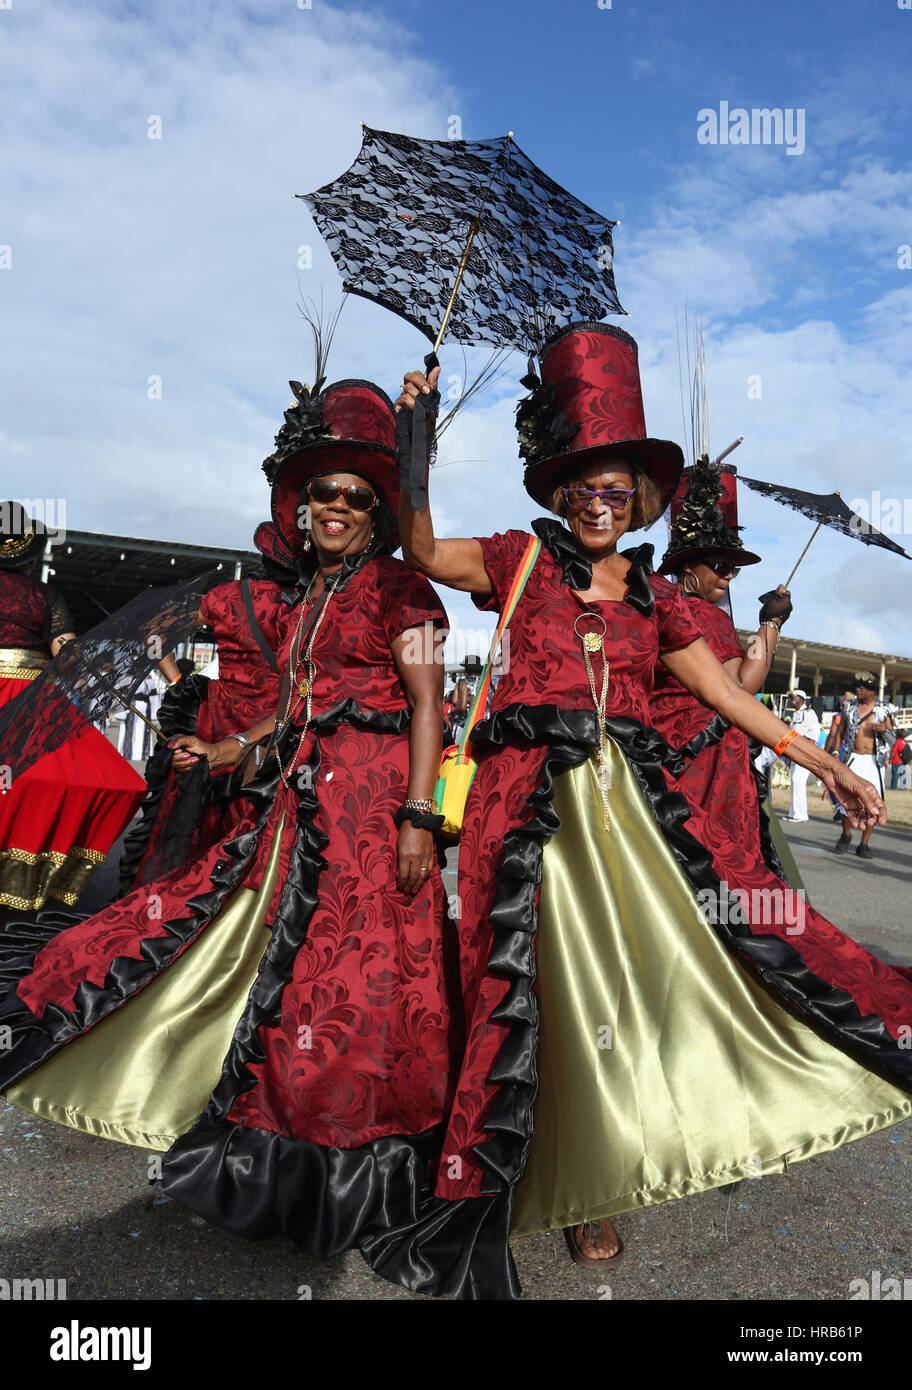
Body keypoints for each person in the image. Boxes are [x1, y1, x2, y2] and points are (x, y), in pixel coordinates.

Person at [382, 323, 911, 1302]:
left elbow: (727, 694)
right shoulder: (515, 561)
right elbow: (417, 545)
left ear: (641, 503)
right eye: (583, 481)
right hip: (523, 825)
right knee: (518, 991)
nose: (599, 498)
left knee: (606, 1004)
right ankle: (494, 1169)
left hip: (627, 832)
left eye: (619, 487)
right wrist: (413, 451)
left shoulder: (660, 601)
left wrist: (822, 761)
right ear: (555, 485)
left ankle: (594, 1182)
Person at [0, 377, 461, 1269]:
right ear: (302, 507)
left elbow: (428, 708)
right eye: (323, 491)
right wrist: (228, 749)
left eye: (358, 496)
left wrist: (417, 814)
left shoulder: (411, 597)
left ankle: (347, 1158)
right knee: (257, 952)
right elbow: (294, 706)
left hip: (373, 811)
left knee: (358, 977)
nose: (337, 507)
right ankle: (252, 1128)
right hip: (298, 800)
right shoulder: (305, 601)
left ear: (378, 512)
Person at [648, 457, 806, 890]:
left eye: (732, 568)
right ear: (688, 568)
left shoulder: (659, 606)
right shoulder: (702, 615)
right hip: (708, 760)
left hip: (669, 755)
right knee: (721, 868)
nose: (729, 576)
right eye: (718, 565)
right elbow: (744, 683)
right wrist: (772, 623)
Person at [117, 522, 297, 893]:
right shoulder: (308, 603)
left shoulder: (226, 596)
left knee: (196, 818)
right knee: (262, 820)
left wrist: (178, 682)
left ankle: (176, 903)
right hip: (275, 720)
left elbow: (150, 630)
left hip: (215, 718)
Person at [0, 502, 145, 917]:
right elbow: (65, 649)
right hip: (33, 696)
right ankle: (27, 878)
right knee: (56, 778)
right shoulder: (43, 594)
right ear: (28, 555)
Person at [826, 672, 895, 858]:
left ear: (872, 690)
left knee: (873, 803)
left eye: (862, 687)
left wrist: (883, 730)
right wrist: (834, 753)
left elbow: (893, 740)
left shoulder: (884, 709)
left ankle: (864, 844)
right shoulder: (849, 707)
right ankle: (846, 834)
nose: (858, 690)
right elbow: (840, 733)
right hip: (853, 759)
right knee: (846, 799)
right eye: (856, 686)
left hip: (874, 762)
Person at [784, 689, 821, 822]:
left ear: (802, 699)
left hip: (806, 751)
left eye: (793, 697)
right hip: (796, 750)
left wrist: (781, 745)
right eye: (789, 698)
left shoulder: (808, 713)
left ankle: (801, 815)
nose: (791, 700)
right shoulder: (796, 714)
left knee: (797, 779)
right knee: (794, 780)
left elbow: (798, 732)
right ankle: (794, 813)